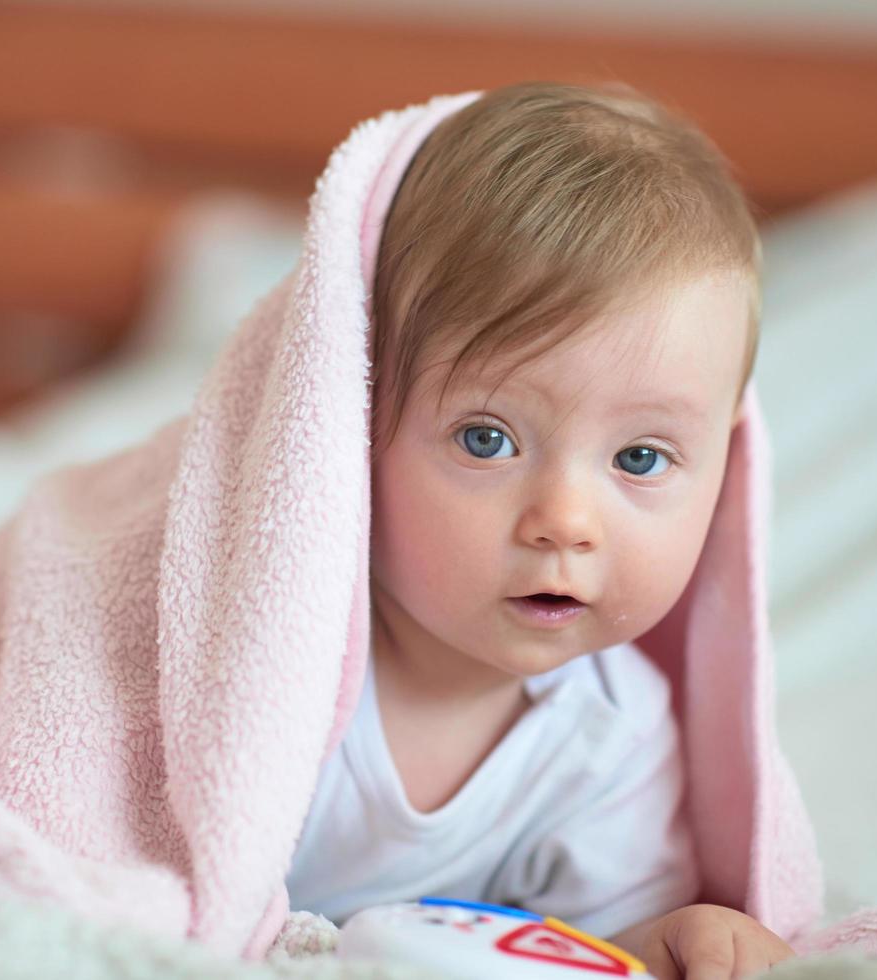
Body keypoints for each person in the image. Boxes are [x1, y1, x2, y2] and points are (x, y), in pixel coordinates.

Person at [284, 81, 796, 979]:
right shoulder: (272, 661)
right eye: (487, 439)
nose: (563, 520)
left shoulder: (610, 739)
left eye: (639, 459)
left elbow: (585, 948)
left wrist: (673, 941)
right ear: (349, 419)